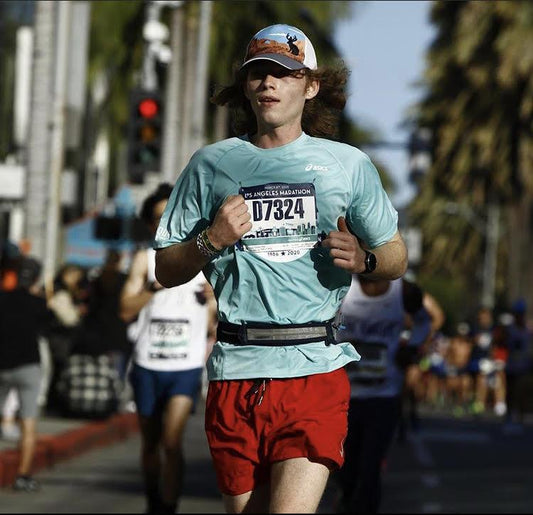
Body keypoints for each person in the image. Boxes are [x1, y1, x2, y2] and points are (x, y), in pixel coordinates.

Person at [153, 24, 408, 514]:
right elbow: (166, 269)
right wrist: (212, 240)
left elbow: (395, 254)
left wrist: (365, 259)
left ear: (310, 87)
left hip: (314, 366)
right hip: (235, 369)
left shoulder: (347, 165)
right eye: (258, 73)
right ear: (246, 87)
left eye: (284, 73)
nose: (269, 82)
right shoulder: (210, 165)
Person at [120, 183, 211, 514]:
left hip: (184, 366)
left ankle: (167, 508)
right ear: (149, 224)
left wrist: (213, 302)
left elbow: (220, 314)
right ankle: (153, 501)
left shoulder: (203, 260)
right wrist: (152, 287)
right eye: (157, 218)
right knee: (151, 444)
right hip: (147, 364)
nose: (164, 222)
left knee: (172, 443)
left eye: (169, 214)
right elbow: (125, 308)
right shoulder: (144, 260)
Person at [333, 274, 431, 513]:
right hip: (345, 395)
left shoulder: (403, 291)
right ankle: (346, 498)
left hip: (385, 394)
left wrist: (412, 349)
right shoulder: (341, 284)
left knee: (371, 464)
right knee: (346, 465)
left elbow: (424, 321)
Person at [0, 255, 55, 492]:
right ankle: (23, 476)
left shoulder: (1, 299)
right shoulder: (37, 303)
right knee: (28, 424)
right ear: (35, 279)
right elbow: (52, 323)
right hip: (28, 367)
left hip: (1, 365)